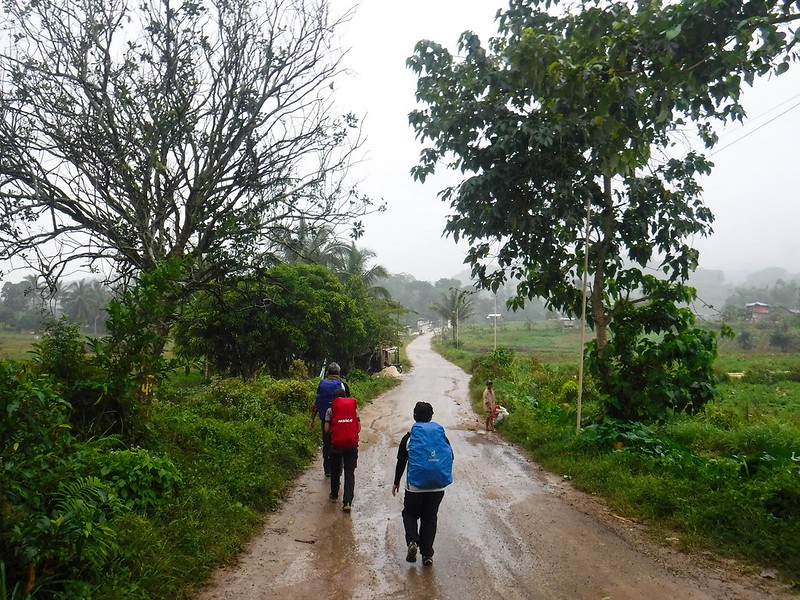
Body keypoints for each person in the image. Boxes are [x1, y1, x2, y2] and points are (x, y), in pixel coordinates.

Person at [392, 401, 453, 566]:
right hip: (438, 487)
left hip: (415, 488)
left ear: (414, 416)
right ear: (431, 416)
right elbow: (450, 456)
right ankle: (427, 555)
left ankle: (412, 541)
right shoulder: (442, 436)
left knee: (409, 514)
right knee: (429, 518)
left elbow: (401, 462)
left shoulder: (409, 437)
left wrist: (396, 482)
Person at [309, 362, 350, 477]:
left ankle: (327, 470)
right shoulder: (343, 385)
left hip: (325, 421)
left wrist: (312, 419)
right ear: (338, 372)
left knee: (326, 444)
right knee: (340, 443)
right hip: (340, 421)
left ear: (328, 373)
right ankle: (338, 469)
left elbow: (316, 404)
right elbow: (348, 404)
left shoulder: (322, 384)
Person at [324, 390, 360, 512]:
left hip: (336, 445)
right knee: (349, 473)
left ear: (335, 400)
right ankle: (347, 502)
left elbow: (326, 428)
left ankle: (334, 496)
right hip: (351, 445)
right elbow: (359, 427)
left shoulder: (330, 410)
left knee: (335, 471)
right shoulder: (353, 409)